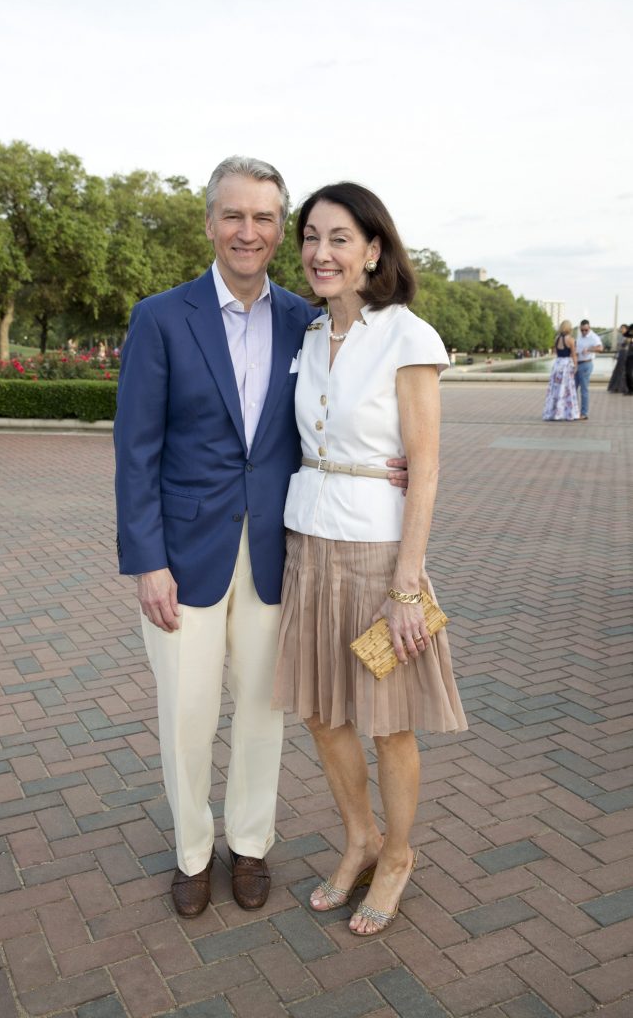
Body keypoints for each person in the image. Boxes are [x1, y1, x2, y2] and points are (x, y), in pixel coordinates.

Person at [114, 157, 408, 919]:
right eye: (234, 216)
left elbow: (343, 407)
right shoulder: (160, 317)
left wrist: (388, 465)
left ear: (280, 230)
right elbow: (135, 448)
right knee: (184, 711)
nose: (250, 232)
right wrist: (146, 560)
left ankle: (249, 847)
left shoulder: (304, 319)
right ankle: (190, 851)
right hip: (182, 555)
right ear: (210, 223)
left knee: (260, 709)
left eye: (265, 218)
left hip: (280, 551)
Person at [273, 182, 467, 937]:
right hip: (307, 547)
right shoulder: (308, 334)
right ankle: (359, 838)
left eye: (340, 238)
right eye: (311, 237)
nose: (321, 253)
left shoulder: (407, 335)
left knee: (388, 721)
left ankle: (399, 855)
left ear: (373, 250)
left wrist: (406, 583)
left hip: (377, 555)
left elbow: (424, 465)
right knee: (322, 714)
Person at [542, 320, 579, 420]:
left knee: (555, 389)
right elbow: (574, 355)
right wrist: (576, 366)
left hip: (557, 364)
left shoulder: (557, 338)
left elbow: (556, 352)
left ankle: (553, 412)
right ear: (569, 328)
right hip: (566, 364)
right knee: (567, 389)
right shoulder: (571, 340)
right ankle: (567, 413)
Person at [574, 319, 603, 419]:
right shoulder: (579, 336)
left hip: (586, 364)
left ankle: (584, 413)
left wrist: (589, 349)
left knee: (584, 390)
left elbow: (600, 348)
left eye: (586, 330)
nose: (584, 332)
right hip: (577, 364)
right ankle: (574, 411)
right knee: (573, 388)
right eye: (582, 330)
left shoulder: (593, 337)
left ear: (589, 328)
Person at [608, 324, 633, 394]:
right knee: (617, 371)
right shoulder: (621, 337)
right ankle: (616, 387)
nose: (621, 329)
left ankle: (625, 388)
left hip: (625, 354)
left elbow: (627, 344)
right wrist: (615, 355)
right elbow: (618, 348)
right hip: (621, 355)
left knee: (623, 371)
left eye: (623, 328)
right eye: (621, 328)